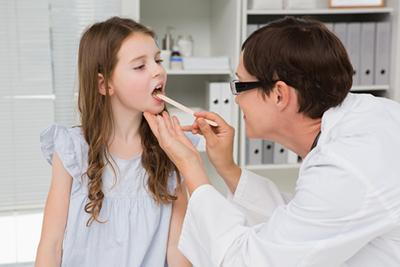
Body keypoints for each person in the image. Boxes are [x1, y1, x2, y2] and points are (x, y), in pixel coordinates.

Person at [143, 17, 400, 266]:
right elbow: (304, 222)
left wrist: (191, 166)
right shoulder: (368, 117)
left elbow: (247, 261)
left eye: (240, 86)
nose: (236, 100)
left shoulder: (349, 165)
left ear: (279, 94)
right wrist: (227, 168)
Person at [35, 17, 194, 267]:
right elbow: (51, 245)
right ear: (104, 84)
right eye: (140, 66)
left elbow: (178, 248)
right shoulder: (72, 149)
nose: (158, 70)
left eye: (158, 60)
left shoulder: (171, 149)